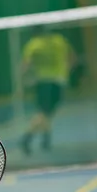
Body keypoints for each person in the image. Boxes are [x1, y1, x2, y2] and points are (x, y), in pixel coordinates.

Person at [19, 25, 75, 155]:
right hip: (58, 80)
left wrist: (23, 81)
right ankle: (29, 137)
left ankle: (44, 139)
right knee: (45, 112)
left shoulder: (33, 44)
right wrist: (65, 72)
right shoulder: (59, 40)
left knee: (46, 112)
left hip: (42, 82)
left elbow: (25, 65)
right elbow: (72, 58)